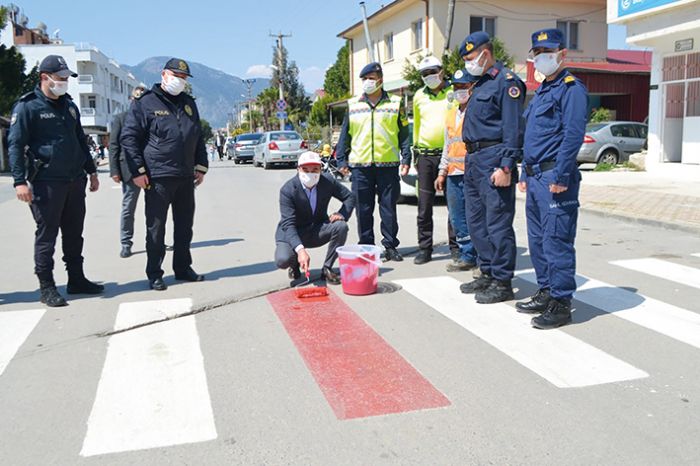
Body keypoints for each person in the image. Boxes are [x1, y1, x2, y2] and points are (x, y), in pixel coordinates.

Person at [8, 54, 103, 307]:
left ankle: (76, 279)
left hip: (74, 179)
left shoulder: (69, 105)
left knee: (74, 233)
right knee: (47, 234)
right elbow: (15, 145)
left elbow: (80, 140)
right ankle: (47, 286)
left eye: (66, 78)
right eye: (60, 78)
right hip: (46, 181)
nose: (64, 83)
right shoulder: (27, 106)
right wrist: (19, 181)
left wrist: (91, 171)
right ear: (44, 77)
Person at [516, 29, 589, 329]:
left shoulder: (571, 88)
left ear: (562, 53)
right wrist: (523, 170)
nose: (541, 57)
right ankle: (546, 290)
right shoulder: (543, 90)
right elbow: (531, 137)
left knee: (557, 240)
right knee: (538, 240)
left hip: (554, 177)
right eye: (537, 52)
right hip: (535, 177)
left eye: (548, 51)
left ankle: (561, 302)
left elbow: (572, 136)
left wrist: (560, 174)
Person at [120, 58, 209, 291]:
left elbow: (197, 136)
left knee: (184, 226)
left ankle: (182, 268)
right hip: (157, 176)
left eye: (184, 78)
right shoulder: (145, 103)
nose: (180, 81)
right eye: (176, 76)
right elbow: (129, 138)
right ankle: (154, 273)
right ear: (164, 75)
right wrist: (137, 171)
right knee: (156, 228)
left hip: (185, 176)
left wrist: (201, 165)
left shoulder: (189, 104)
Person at [458, 31, 526, 304]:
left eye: (471, 58)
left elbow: (513, 128)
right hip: (474, 160)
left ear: (486, 53)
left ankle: (502, 280)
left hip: (494, 159)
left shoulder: (506, 82)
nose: (467, 64)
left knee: (497, 223)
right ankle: (486, 272)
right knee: (477, 223)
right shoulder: (480, 83)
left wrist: (507, 166)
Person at [335, 62, 411, 262]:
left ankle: (391, 246)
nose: (368, 82)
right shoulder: (353, 105)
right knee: (363, 209)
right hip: (360, 166)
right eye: (365, 79)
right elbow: (345, 135)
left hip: (388, 165)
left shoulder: (395, 103)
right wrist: (341, 159)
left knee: (388, 208)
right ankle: (366, 246)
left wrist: (406, 156)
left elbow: (404, 133)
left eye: (371, 78)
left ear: (380, 79)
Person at [274, 151, 355, 284]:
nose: (310, 174)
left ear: (320, 169)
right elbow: (288, 224)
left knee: (341, 226)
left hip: (316, 229)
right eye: (305, 169)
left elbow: (349, 197)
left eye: (315, 169)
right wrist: (300, 251)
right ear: (298, 169)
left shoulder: (327, 181)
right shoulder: (288, 190)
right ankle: (294, 264)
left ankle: (327, 268)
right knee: (283, 259)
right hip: (292, 232)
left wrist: (342, 214)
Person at [410, 55, 454, 265]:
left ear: (441, 71)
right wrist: (415, 153)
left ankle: (456, 247)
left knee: (453, 204)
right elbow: (417, 125)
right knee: (424, 205)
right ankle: (424, 248)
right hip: (425, 156)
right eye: (425, 74)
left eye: (432, 72)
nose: (429, 77)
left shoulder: (453, 92)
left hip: (450, 154)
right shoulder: (419, 95)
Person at [435, 69, 479, 272]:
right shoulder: (451, 114)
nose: (459, 90)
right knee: (457, 217)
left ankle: (481, 256)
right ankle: (466, 255)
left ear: (472, 87)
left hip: (472, 173)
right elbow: (447, 144)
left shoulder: (478, 111)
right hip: (453, 173)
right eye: (456, 87)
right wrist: (442, 171)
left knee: (476, 216)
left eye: (463, 86)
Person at [109, 85, 147, 258]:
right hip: (129, 171)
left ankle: (155, 239)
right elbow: (114, 146)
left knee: (156, 209)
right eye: (136, 99)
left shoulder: (150, 118)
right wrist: (114, 170)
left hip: (151, 170)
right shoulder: (120, 119)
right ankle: (126, 242)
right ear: (131, 100)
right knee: (128, 208)